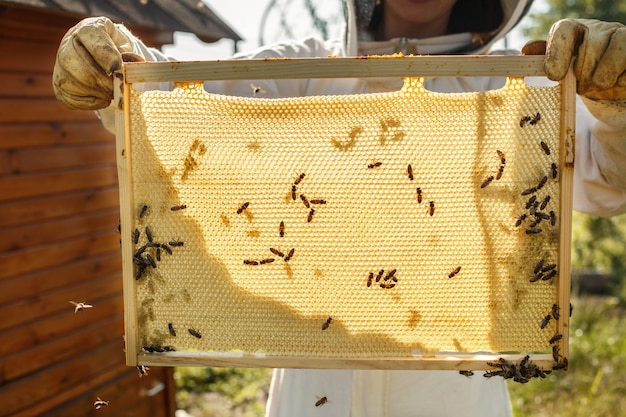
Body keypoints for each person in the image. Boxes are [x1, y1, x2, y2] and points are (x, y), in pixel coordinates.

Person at [53, 1, 626, 416]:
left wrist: (616, 98)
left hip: (459, 388)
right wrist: (118, 63)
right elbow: (178, 105)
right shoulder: (303, 66)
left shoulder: (524, 83)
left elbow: (608, 176)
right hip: (312, 387)